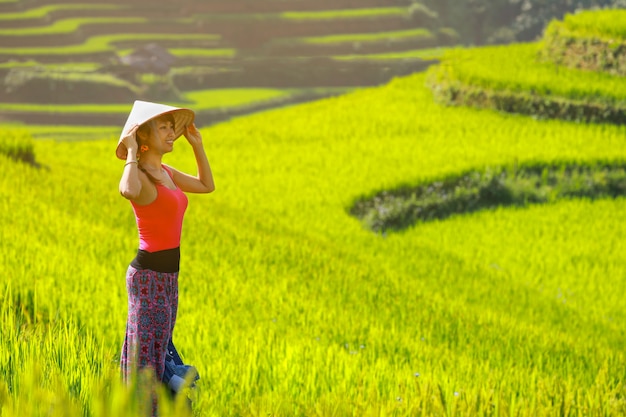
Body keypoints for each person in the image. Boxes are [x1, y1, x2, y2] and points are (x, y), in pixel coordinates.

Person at [116, 101, 214, 412]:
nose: (172, 132)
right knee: (147, 359)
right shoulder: (141, 175)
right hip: (148, 279)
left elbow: (205, 185)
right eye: (164, 126)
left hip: (168, 278)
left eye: (173, 126)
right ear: (143, 135)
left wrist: (197, 145)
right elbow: (127, 191)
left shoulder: (166, 172)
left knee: (160, 352)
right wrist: (131, 152)